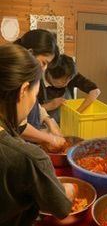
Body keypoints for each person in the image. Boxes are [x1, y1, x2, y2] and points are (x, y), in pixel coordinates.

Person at [0, 44, 77, 225]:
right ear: (23, 91)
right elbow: (61, 206)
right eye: (35, 95)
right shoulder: (29, 158)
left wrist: (48, 131)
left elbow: (19, 128)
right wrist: (68, 189)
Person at [15, 29, 66, 152]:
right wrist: (49, 138)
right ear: (30, 53)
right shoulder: (14, 77)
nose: (44, 69)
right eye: (43, 63)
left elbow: (34, 104)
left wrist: (49, 120)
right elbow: (17, 125)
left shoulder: (27, 74)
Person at [38, 54, 100, 123]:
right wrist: (49, 105)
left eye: (68, 81)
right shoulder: (36, 82)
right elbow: (28, 111)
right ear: (49, 74)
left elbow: (95, 91)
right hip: (45, 126)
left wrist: (76, 112)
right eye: (61, 82)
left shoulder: (70, 74)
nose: (66, 84)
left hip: (69, 123)